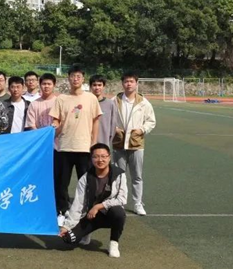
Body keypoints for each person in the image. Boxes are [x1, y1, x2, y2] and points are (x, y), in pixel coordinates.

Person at [50, 65, 102, 225]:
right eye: (72, 76)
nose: (75, 79)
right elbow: (56, 120)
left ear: (83, 78)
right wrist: (54, 126)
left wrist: (94, 142)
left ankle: (84, 210)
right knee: (61, 183)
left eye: (78, 76)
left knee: (85, 182)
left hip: (84, 147)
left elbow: (96, 121)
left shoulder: (91, 98)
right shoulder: (61, 98)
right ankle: (61, 211)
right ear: (68, 78)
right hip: (64, 147)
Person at [59, 143, 127, 258]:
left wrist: (99, 206)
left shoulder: (119, 175)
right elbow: (78, 204)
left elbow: (122, 199)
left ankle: (114, 243)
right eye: (96, 157)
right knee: (68, 239)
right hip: (91, 216)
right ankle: (86, 233)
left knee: (119, 213)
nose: (100, 160)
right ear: (91, 159)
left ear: (109, 157)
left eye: (103, 156)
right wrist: (67, 226)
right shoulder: (85, 178)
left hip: (109, 214)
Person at [112, 72, 156, 216]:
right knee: (118, 175)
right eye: (126, 81)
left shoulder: (143, 102)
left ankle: (137, 203)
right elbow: (108, 118)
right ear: (122, 83)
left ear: (136, 83)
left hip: (136, 144)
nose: (129, 84)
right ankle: (119, 202)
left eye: (131, 81)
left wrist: (142, 129)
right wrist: (114, 129)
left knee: (137, 176)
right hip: (119, 143)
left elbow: (151, 121)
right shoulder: (115, 101)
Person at [90, 75, 117, 147]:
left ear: (103, 86)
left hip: (104, 143)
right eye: (94, 85)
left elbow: (113, 125)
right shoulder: (86, 103)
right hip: (87, 143)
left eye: (99, 85)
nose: (97, 88)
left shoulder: (110, 104)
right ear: (90, 87)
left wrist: (108, 141)